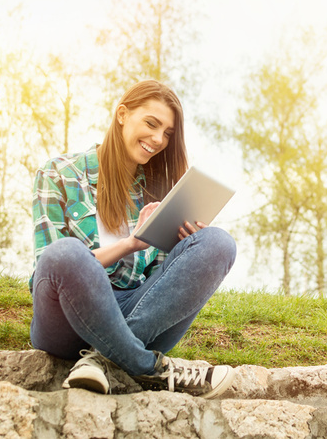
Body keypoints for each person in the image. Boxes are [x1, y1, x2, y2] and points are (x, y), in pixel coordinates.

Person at [28, 79, 237, 398]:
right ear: (122, 114)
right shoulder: (59, 172)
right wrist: (131, 243)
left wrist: (186, 247)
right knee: (65, 254)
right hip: (66, 318)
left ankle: (103, 360)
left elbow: (162, 295)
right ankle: (147, 367)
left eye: (167, 133)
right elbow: (50, 268)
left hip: (133, 313)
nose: (158, 139)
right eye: (152, 124)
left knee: (218, 243)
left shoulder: (159, 195)